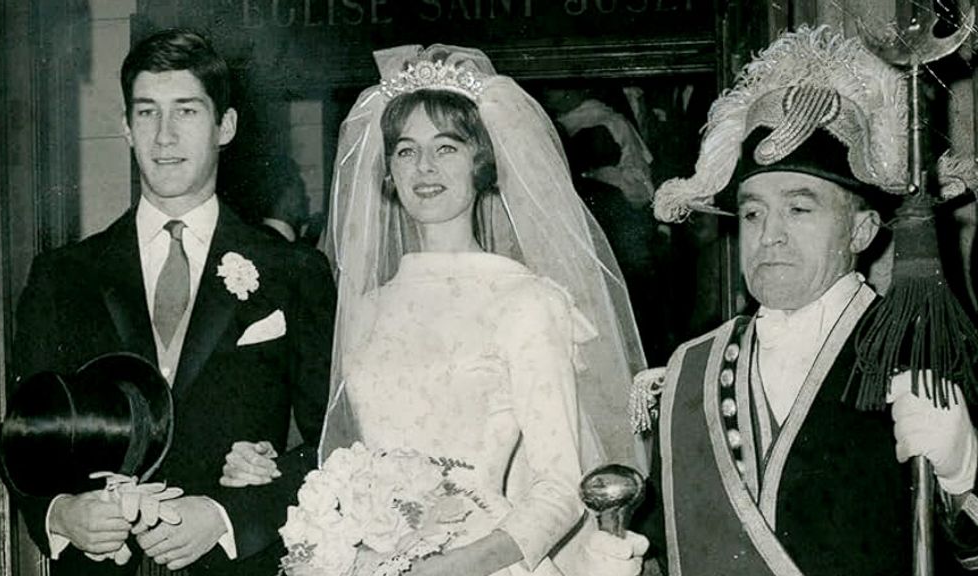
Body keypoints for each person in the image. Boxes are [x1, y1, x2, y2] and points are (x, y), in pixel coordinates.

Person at [220, 44, 649, 575]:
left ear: (481, 162)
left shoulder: (527, 302)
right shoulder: (366, 307)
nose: (424, 167)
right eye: (405, 150)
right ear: (389, 171)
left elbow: (561, 485)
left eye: (446, 148)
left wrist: (458, 565)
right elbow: (336, 449)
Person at [611, 25, 978, 575]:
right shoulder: (691, 368)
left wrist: (966, 477)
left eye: (800, 210)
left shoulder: (928, 350)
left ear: (862, 230)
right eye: (754, 213)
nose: (770, 234)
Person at [8, 28, 335, 576]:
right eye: (146, 113)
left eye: (186, 112)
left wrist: (227, 516)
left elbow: (334, 442)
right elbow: (23, 438)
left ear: (224, 126)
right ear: (126, 129)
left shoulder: (292, 271)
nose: (164, 137)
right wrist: (62, 514)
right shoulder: (63, 275)